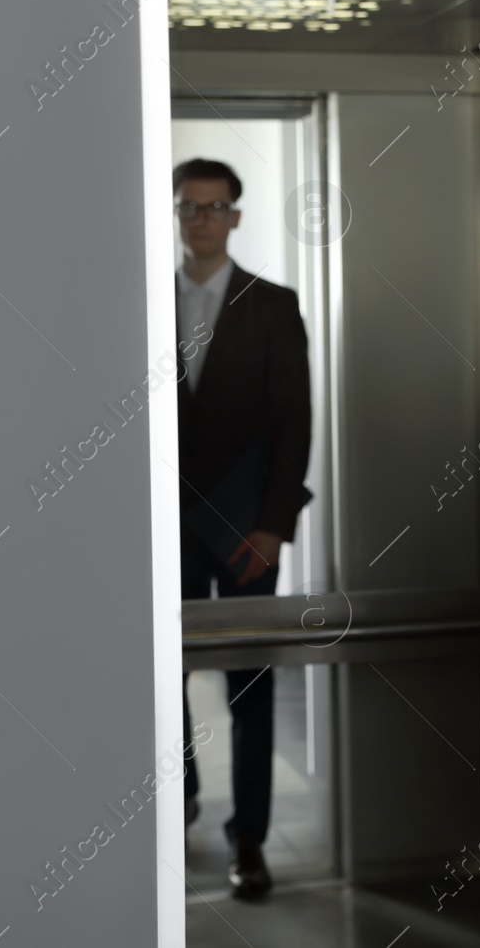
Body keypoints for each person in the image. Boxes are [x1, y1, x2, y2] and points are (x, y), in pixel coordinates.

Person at [172, 157, 312, 901]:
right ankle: (181, 796)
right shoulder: (141, 302)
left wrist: (272, 526)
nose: (201, 218)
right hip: (165, 538)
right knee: (161, 678)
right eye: (189, 206)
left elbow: (295, 427)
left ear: (235, 216)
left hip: (246, 531)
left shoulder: (274, 306)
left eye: (213, 206)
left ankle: (249, 839)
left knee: (250, 686)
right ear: (177, 214)